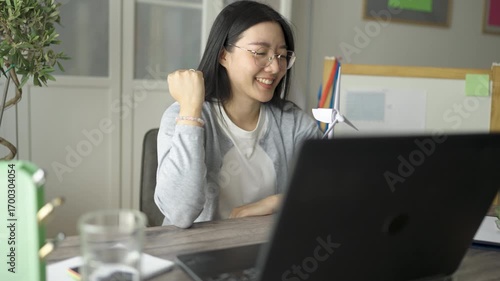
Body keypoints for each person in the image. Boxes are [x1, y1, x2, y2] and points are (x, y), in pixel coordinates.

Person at [154, 0, 322, 228]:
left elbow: (332, 191)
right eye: (260, 52)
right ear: (224, 55)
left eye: (282, 56)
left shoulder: (292, 122)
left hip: (261, 253)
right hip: (194, 255)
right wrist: (191, 111)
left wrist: (274, 203)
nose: (274, 67)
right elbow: (179, 213)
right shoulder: (181, 116)